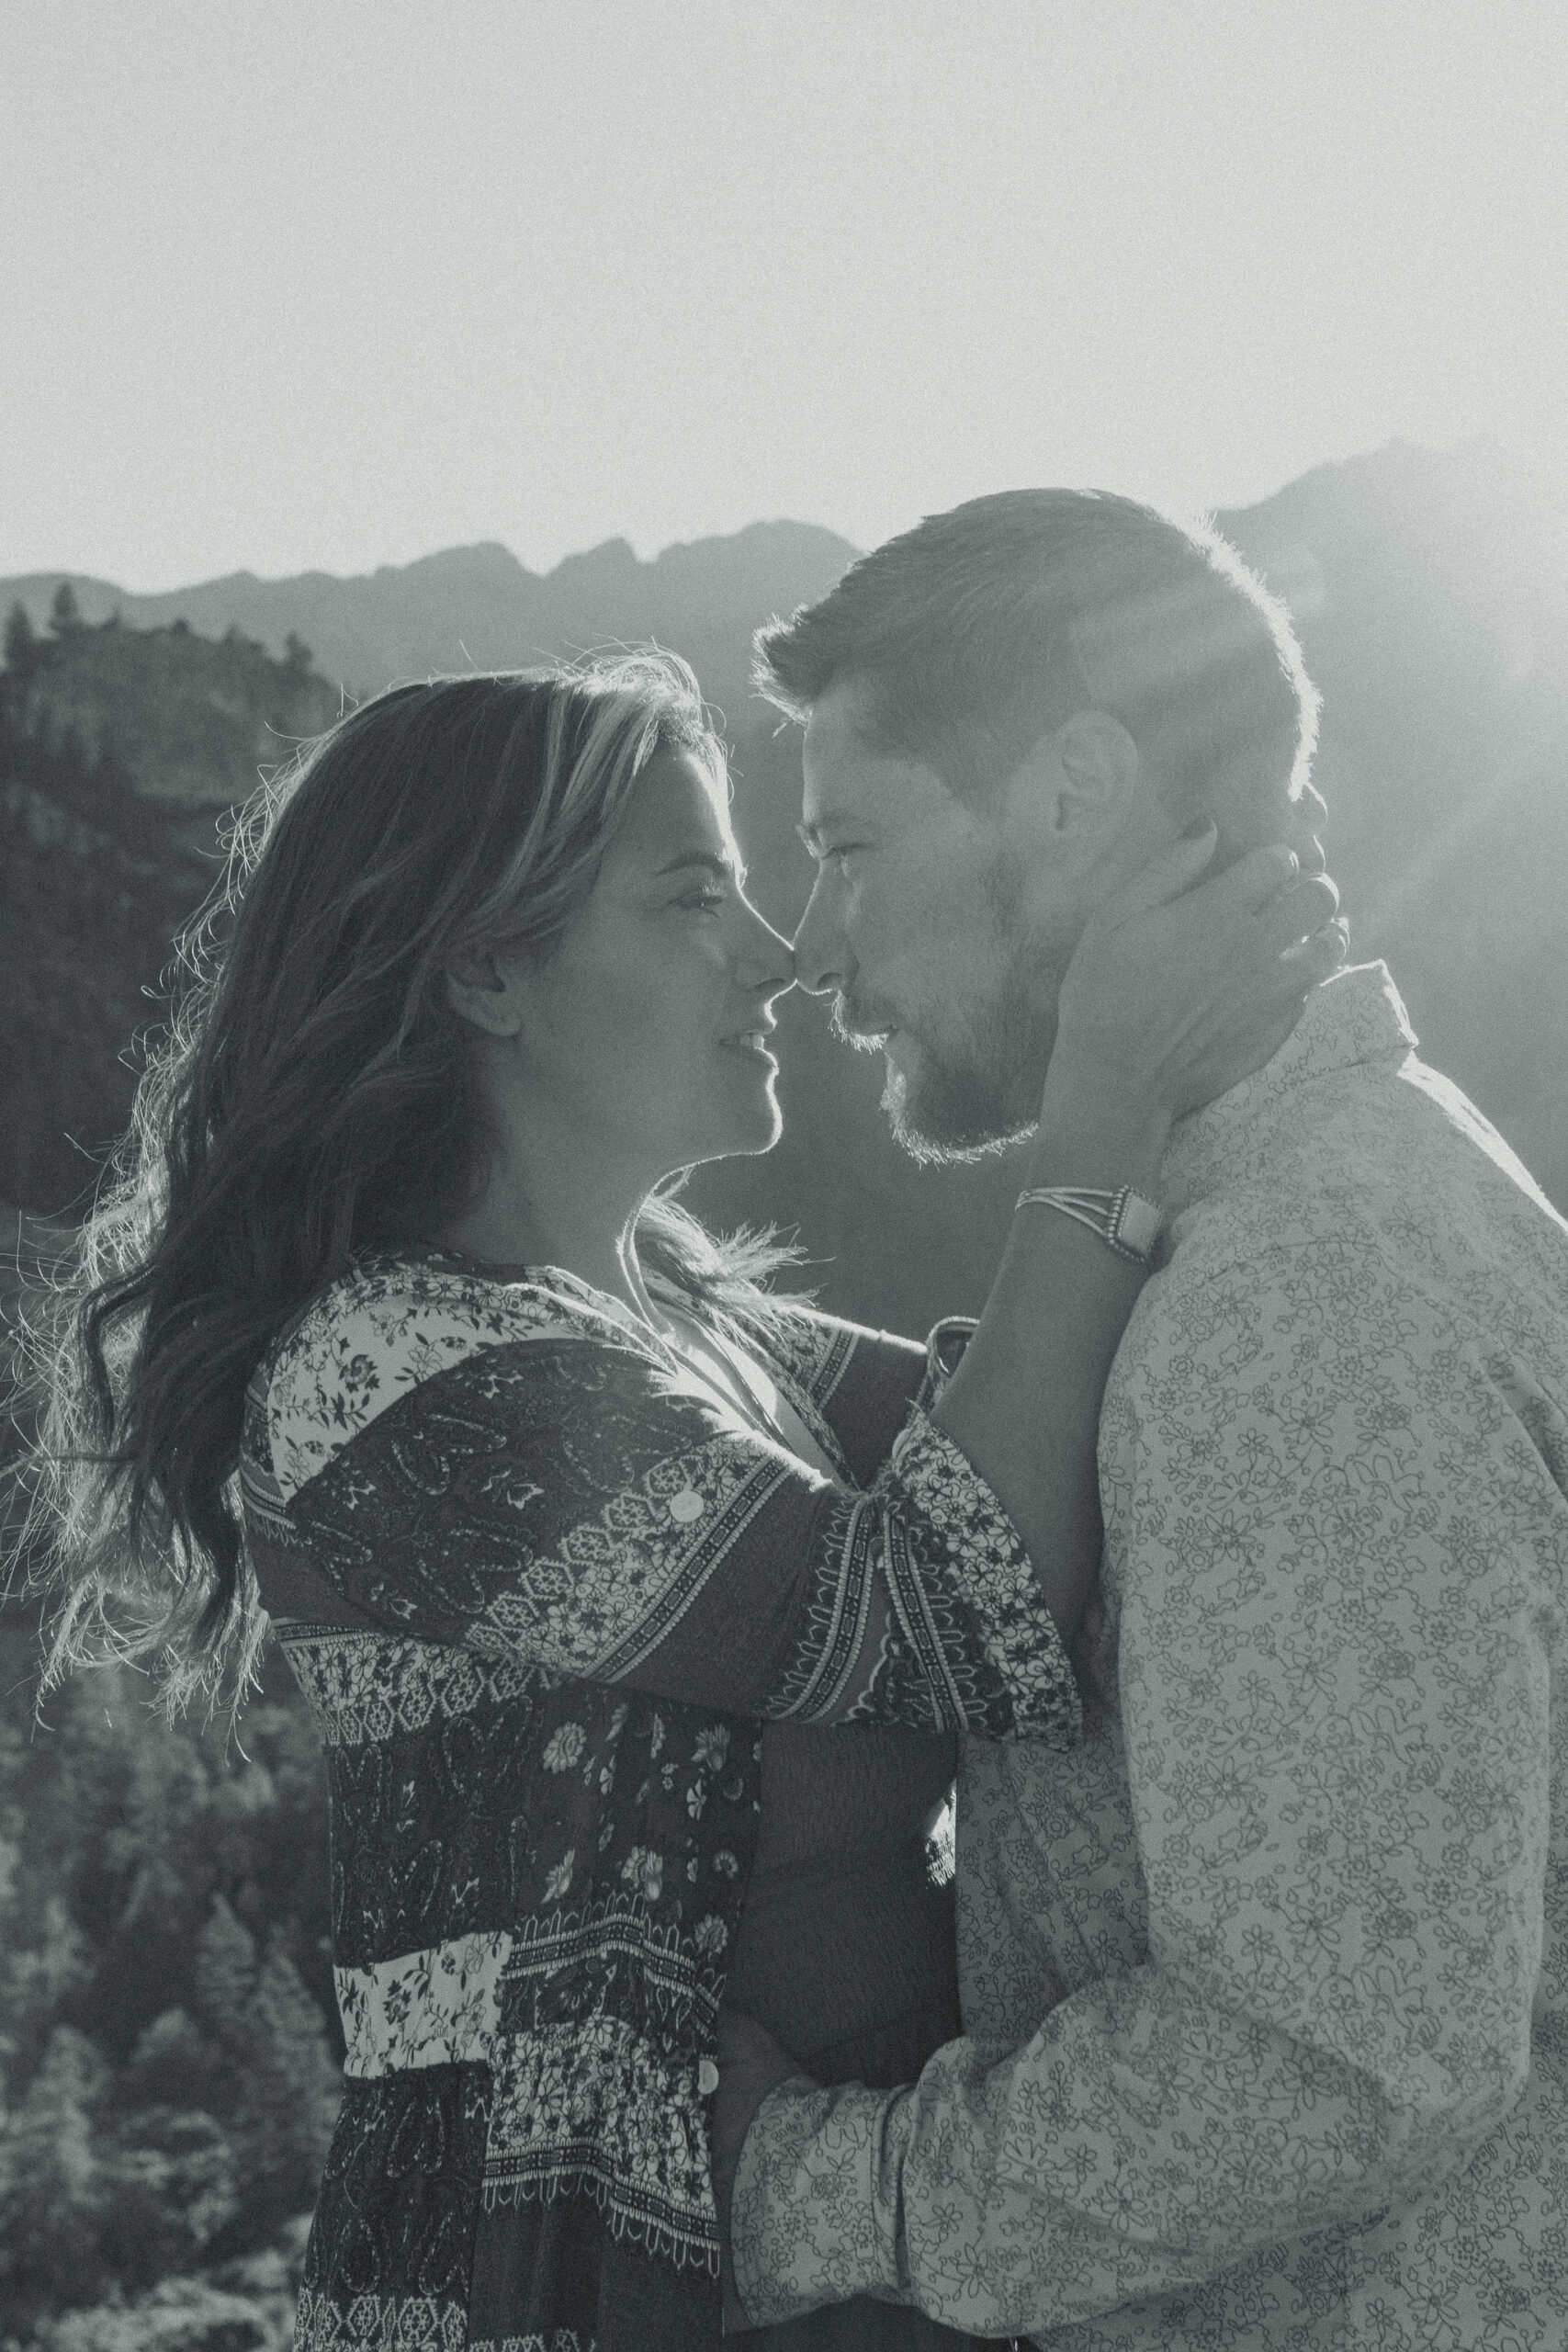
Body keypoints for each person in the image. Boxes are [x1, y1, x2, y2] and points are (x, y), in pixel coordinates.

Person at [25, 650, 1340, 2352]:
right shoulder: (399, 1379)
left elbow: (1067, 1424)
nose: (782, 955)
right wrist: (1099, 1114)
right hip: (567, 2292)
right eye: (694, 894)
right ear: (490, 970)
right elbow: (951, 1600)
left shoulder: (686, 1322)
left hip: (848, 2261)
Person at [717, 488, 1568, 2350]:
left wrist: (797, 2179)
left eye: (848, 845)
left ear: (1067, 798)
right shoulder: (1318, 1196)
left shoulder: (1287, 1292)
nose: (810, 948)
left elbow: (1338, 2049)